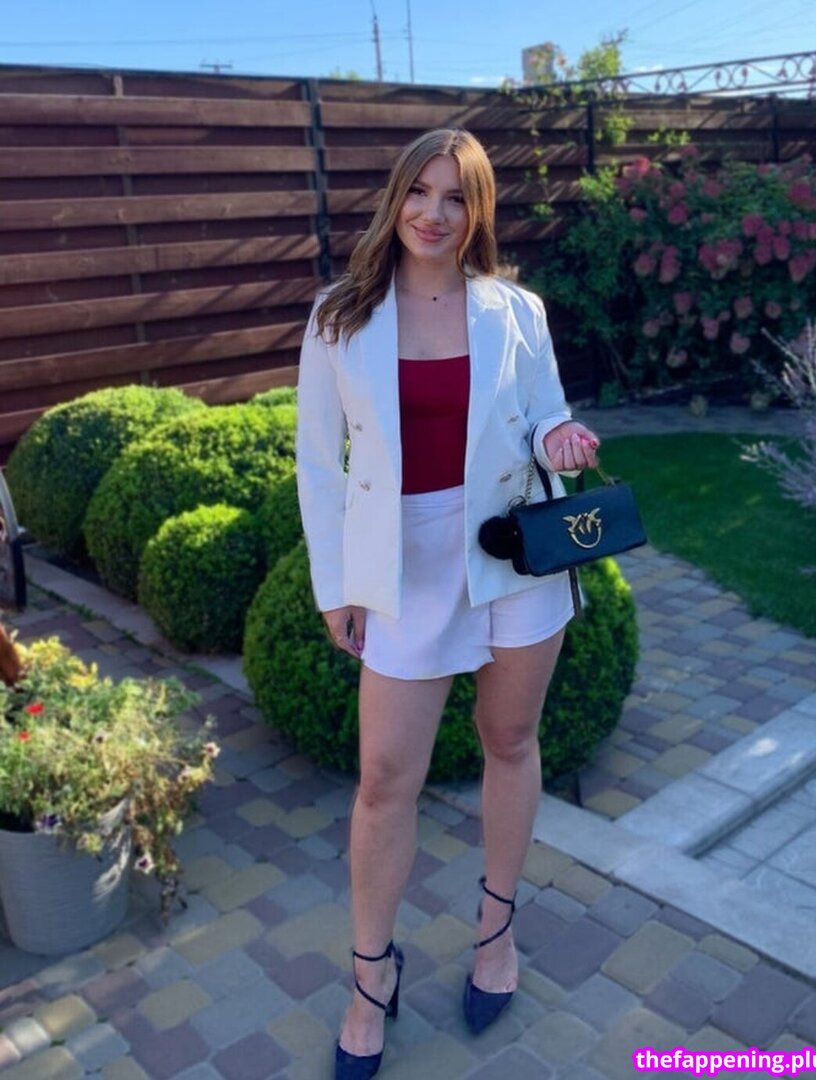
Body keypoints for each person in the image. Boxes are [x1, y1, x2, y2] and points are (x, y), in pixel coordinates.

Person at [295, 127, 600, 1080]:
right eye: (420, 192)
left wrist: (559, 439)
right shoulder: (339, 315)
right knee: (384, 779)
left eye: (456, 196)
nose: (433, 213)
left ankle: (495, 933)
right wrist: (337, 587)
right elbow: (318, 464)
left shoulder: (515, 309)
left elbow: (543, 411)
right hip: (400, 564)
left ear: (478, 212)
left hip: (510, 553)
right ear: (396, 199)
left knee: (509, 741)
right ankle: (369, 977)